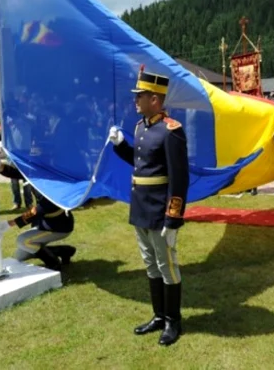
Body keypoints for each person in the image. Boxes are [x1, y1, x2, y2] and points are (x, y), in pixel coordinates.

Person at [108, 65, 189, 347]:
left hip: (159, 211)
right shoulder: (141, 127)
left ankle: (173, 321)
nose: (135, 100)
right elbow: (141, 164)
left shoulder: (172, 131)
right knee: (150, 265)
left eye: (140, 95)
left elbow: (179, 178)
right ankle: (158, 316)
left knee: (167, 266)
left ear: (155, 98)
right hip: (141, 207)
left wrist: (173, 218)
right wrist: (120, 145)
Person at [0, 163, 76, 270]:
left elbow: (36, 212)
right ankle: (63, 251)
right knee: (20, 256)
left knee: (23, 241)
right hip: (45, 224)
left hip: (58, 227)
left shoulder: (54, 183)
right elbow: (15, 173)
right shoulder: (38, 174)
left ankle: (53, 263)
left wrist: (9, 224)